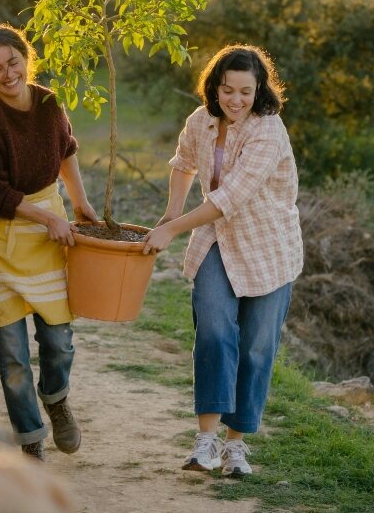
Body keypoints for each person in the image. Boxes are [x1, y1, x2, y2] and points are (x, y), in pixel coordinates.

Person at [143, 44, 302, 477]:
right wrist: (173, 212)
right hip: (216, 241)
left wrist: (171, 231)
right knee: (213, 331)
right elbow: (183, 163)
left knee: (255, 347)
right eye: (227, 89)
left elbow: (230, 197)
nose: (235, 100)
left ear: (259, 91)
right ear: (215, 87)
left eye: (245, 92)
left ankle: (236, 445)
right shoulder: (201, 121)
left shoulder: (268, 131)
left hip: (268, 248)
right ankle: (206, 442)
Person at [0, 22, 98, 462]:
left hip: (44, 232)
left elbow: (67, 151)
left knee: (58, 339)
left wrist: (80, 206)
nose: (7, 73)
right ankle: (30, 439)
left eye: (12, 62)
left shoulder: (49, 103)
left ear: (26, 57)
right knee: (13, 357)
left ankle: (55, 400)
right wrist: (43, 218)